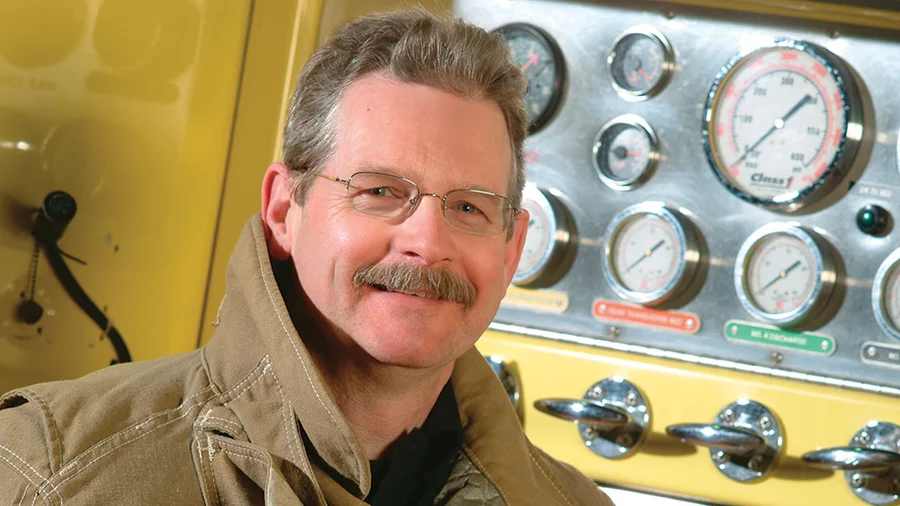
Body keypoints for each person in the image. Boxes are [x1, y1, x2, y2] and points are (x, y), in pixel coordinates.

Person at [0, 8, 614, 505]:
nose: (428, 243)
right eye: (380, 192)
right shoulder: (48, 475)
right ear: (281, 211)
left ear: (511, 251)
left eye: (470, 208)